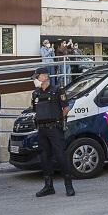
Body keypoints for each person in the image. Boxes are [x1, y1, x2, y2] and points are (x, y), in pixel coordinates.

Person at [31, 67, 75, 197]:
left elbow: (66, 108)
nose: (35, 80)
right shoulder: (36, 93)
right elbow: (35, 109)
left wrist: (58, 119)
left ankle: (69, 185)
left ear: (44, 76)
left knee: (61, 156)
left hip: (54, 128)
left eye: (37, 77)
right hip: (42, 129)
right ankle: (48, 186)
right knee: (45, 158)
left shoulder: (57, 91)